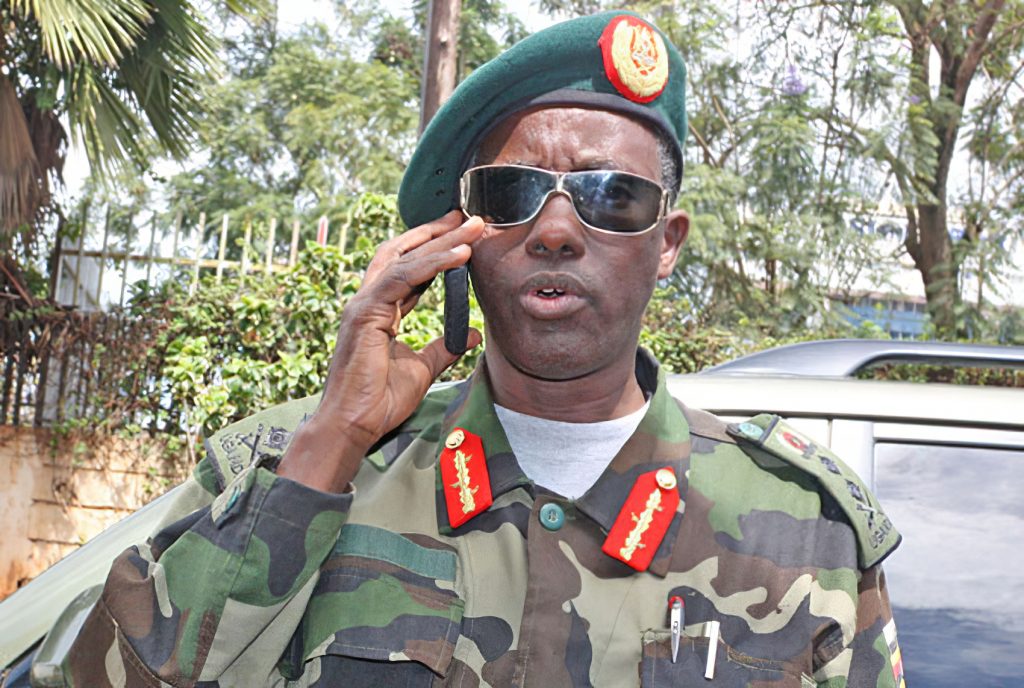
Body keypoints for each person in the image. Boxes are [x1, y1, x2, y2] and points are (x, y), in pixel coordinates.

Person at [65, 10, 904, 688]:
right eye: (512, 192)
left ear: (668, 242)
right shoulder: (289, 474)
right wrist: (332, 443)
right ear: (456, 235)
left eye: (611, 195)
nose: (556, 230)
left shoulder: (809, 533)